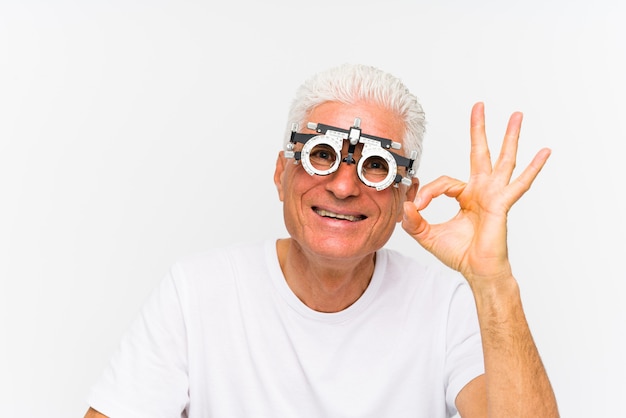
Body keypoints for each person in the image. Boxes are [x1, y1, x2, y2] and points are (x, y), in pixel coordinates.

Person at [84, 63, 559, 417]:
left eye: (376, 165)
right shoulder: (198, 293)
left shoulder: (447, 306)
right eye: (323, 155)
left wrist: (492, 282)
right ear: (280, 172)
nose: (344, 186)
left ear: (405, 196)